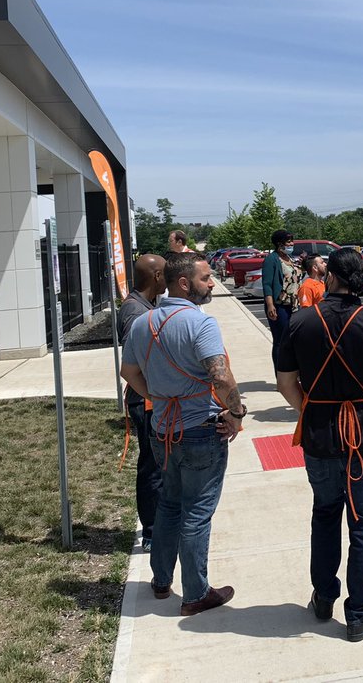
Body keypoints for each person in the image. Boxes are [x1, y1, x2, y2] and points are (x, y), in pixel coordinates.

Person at [276, 248, 363, 642]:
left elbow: (286, 383)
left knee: (325, 514)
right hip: (362, 436)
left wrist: (311, 410)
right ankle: (359, 612)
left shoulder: (300, 322)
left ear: (329, 276)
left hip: (318, 433)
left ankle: (323, 596)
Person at [120, 251, 247, 616]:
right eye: (206, 278)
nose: (211, 283)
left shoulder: (143, 323)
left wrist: (157, 396)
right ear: (183, 283)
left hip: (163, 429)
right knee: (197, 512)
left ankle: (161, 581)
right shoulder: (200, 323)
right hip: (199, 431)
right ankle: (195, 594)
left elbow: (129, 373)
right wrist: (236, 413)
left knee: (170, 506)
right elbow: (220, 376)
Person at [117, 253, 166, 553]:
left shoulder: (147, 305)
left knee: (159, 465)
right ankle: (151, 530)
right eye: (165, 273)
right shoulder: (135, 312)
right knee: (151, 465)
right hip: (144, 399)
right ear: (157, 276)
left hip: (152, 398)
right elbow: (136, 362)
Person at [262, 229, 301, 370]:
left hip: (293, 305)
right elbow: (267, 284)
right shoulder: (271, 260)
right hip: (279, 305)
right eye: (288, 241)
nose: (292, 243)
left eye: (292, 240)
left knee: (291, 340)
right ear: (279, 243)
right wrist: (270, 305)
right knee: (280, 341)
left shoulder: (290, 259)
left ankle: (290, 372)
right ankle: (280, 375)